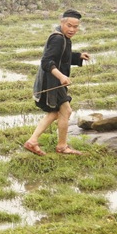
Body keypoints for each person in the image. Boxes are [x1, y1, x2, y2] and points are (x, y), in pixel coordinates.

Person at [24, 9, 91, 156]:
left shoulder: (63, 38)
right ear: (62, 22)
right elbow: (47, 62)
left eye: (75, 27)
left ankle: (34, 142)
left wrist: (78, 56)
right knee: (65, 111)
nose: (72, 29)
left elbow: (62, 57)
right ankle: (60, 146)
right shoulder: (58, 38)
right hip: (53, 80)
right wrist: (61, 76)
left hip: (55, 80)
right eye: (69, 25)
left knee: (56, 112)